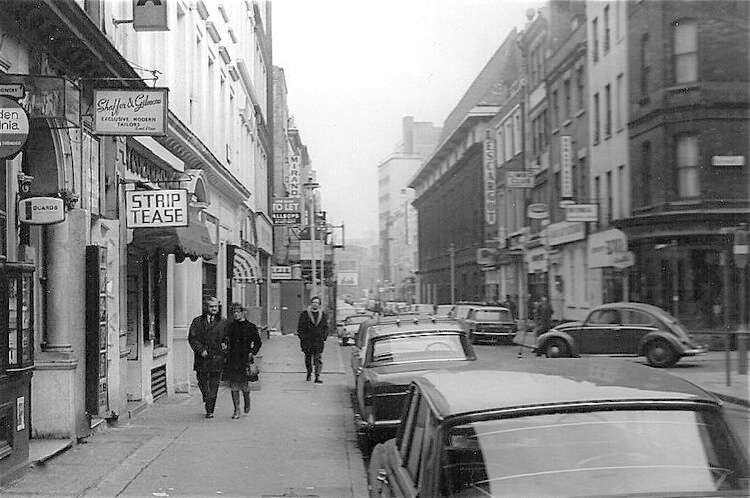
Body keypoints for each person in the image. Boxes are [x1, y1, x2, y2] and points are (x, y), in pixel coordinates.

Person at [188, 296, 227, 418]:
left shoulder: (224, 322)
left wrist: (226, 343)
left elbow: (228, 336)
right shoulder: (197, 322)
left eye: (216, 306)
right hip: (203, 358)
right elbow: (192, 338)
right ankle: (206, 396)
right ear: (206, 308)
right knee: (202, 382)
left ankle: (210, 410)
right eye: (211, 306)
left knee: (214, 385)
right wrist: (201, 350)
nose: (214, 309)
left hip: (217, 358)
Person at [224, 303, 262, 419]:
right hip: (232, 359)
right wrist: (224, 345)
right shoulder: (230, 326)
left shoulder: (250, 327)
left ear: (243, 312)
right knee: (234, 385)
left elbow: (258, 342)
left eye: (238, 311)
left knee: (244, 385)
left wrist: (252, 352)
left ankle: (247, 401)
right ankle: (236, 409)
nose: (236, 314)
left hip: (245, 358)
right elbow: (224, 340)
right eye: (233, 312)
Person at [297, 296, 329, 383]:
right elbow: (300, 328)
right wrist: (302, 338)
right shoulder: (304, 314)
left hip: (318, 341)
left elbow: (325, 327)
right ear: (311, 304)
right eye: (313, 302)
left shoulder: (322, 315)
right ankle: (309, 373)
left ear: (319, 305)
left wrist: (324, 336)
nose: (315, 304)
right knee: (308, 358)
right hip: (307, 341)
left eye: (317, 303)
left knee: (317, 359)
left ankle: (317, 376)